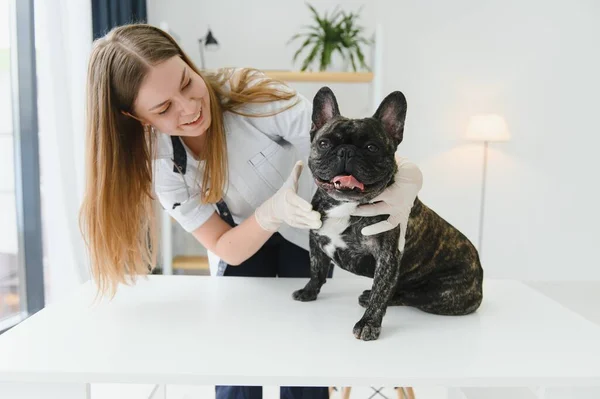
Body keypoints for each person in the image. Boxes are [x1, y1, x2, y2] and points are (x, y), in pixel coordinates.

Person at [79, 23, 423, 399]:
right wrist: (271, 212)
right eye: (163, 108)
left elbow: (343, 142)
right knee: (237, 354)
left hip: (310, 230)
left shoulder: (252, 95)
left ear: (189, 62)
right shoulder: (163, 166)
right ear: (137, 118)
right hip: (242, 237)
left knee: (304, 353)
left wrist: (409, 177)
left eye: (186, 83)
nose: (191, 108)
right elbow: (226, 246)